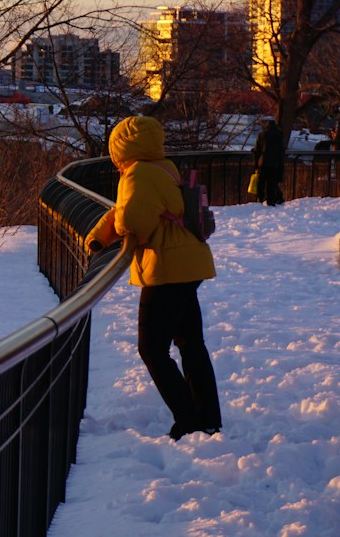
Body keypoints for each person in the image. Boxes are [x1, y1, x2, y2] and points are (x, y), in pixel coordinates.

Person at [87, 115, 222, 441]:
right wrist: (98, 237)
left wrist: (116, 232)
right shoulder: (163, 166)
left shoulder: (137, 174)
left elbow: (132, 220)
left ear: (120, 149)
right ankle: (207, 419)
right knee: (191, 344)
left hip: (166, 269)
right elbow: (126, 209)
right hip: (189, 262)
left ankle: (187, 420)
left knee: (152, 349)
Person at [253, 118, 286, 206]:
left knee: (261, 182)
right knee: (272, 183)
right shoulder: (279, 135)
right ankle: (270, 200)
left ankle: (259, 199)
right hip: (274, 163)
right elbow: (281, 151)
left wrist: (256, 163)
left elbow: (257, 150)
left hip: (262, 163)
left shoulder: (262, 134)